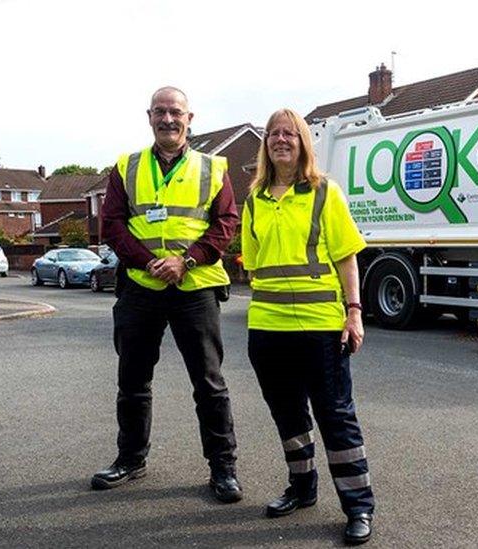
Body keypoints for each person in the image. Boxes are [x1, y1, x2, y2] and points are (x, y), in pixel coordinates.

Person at [92, 86, 242, 503]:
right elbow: (114, 223)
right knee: (133, 380)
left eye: (175, 112)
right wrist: (146, 262)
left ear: (189, 118)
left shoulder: (214, 167)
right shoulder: (127, 166)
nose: (168, 119)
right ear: (149, 116)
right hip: (141, 287)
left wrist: (185, 261)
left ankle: (223, 468)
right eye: (160, 112)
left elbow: (225, 223)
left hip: (195, 288)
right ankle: (130, 459)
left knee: (209, 383)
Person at [241, 108, 375, 544]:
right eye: (273, 134)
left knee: (335, 416)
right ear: (266, 144)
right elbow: (254, 265)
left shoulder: (323, 192)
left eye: (290, 134)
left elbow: (346, 256)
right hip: (267, 327)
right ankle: (302, 489)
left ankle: (358, 506)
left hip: (320, 327)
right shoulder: (254, 200)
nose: (281, 140)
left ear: (302, 142)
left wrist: (353, 311)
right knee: (289, 415)